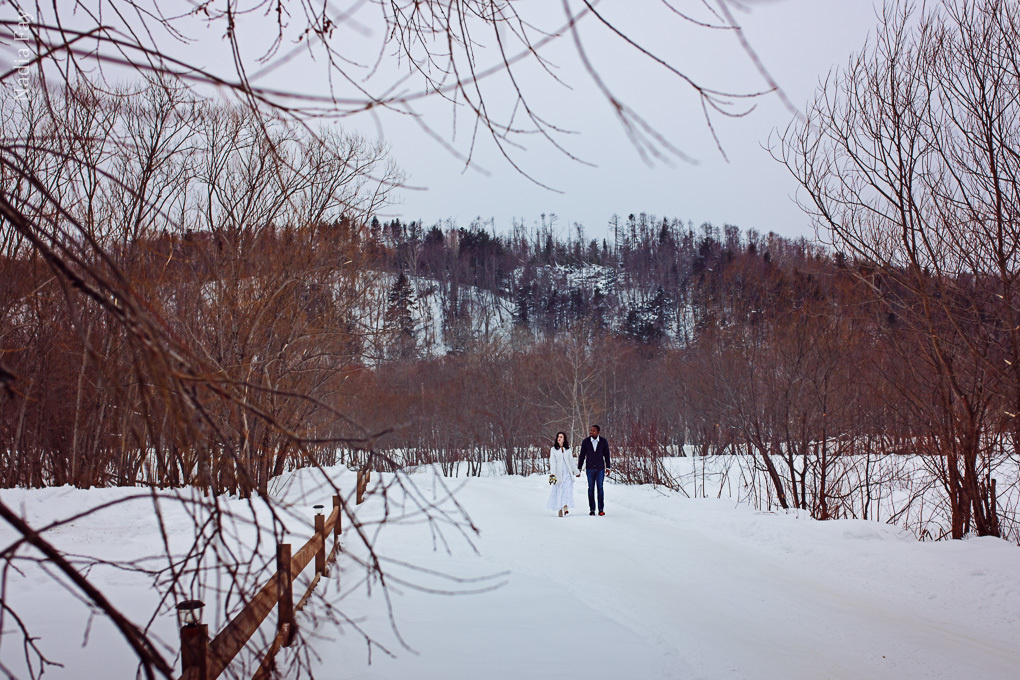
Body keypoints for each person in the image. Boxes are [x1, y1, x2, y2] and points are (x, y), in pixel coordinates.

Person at [577, 424, 611, 516]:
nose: (591, 432)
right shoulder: (586, 442)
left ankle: (601, 509)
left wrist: (608, 467)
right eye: (591, 430)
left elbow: (607, 455)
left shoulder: (603, 441)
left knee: (600, 488)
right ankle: (592, 509)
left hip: (600, 468)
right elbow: (582, 456)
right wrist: (579, 468)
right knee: (591, 488)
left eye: (593, 431)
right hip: (590, 468)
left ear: (598, 432)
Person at [546, 432, 575, 517]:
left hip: (567, 472)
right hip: (558, 473)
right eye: (558, 436)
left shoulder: (568, 449)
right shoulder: (553, 449)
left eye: (561, 437)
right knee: (559, 490)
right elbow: (552, 462)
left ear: (564, 439)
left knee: (566, 490)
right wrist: (553, 474)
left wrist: (576, 472)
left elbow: (572, 461)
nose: (559, 438)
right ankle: (559, 509)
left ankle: (565, 507)